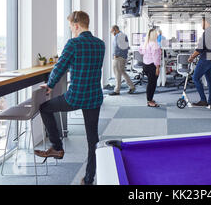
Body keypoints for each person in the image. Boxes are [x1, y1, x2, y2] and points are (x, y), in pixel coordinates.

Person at [34, 11, 105, 185]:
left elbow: (60, 67)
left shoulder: (73, 43)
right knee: (92, 139)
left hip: (76, 97)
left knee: (45, 108)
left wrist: (50, 85)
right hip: (94, 96)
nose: (71, 31)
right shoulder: (100, 44)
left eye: (71, 27)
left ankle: (57, 147)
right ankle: (89, 179)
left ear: (76, 25)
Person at [188, 17, 211, 107]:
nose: (201, 24)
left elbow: (200, 48)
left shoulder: (207, 32)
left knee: (195, 78)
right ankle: (210, 101)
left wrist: (192, 57)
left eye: (202, 22)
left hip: (205, 59)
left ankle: (203, 100)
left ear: (206, 22)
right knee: (210, 81)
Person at [109, 25, 135, 96]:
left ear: (115, 30)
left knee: (117, 73)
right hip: (122, 57)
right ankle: (132, 86)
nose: (111, 32)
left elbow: (118, 47)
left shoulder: (119, 36)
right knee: (122, 72)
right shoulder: (122, 35)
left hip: (118, 57)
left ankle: (117, 90)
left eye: (112, 31)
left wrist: (116, 55)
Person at [139, 29, 161, 107]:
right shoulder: (155, 45)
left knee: (150, 83)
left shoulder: (144, 43)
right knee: (152, 84)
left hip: (145, 66)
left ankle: (150, 99)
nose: (158, 35)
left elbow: (140, 51)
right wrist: (157, 68)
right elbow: (156, 58)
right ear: (154, 35)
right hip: (152, 66)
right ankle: (149, 101)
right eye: (156, 34)